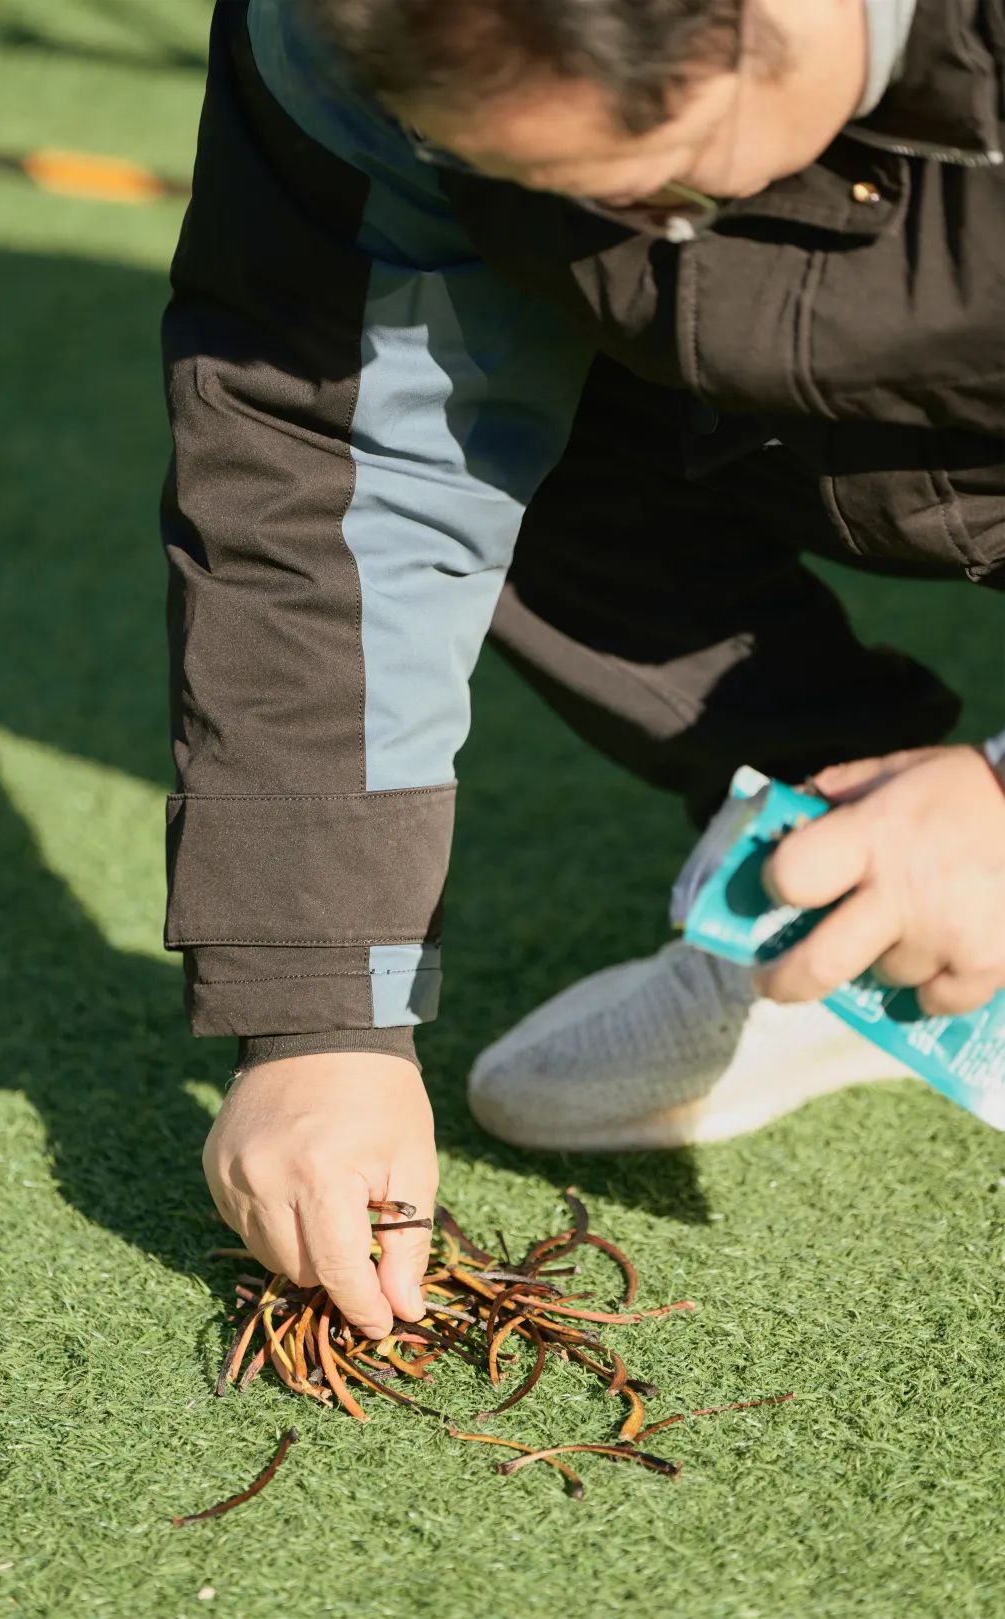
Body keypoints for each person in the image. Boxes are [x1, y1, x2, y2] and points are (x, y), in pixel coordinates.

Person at [160, 0, 1005, 1340]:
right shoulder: (339, 33)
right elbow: (340, 464)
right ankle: (850, 891)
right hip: (774, 385)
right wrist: (319, 1010)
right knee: (498, 416)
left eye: (667, 171)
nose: (621, 223)